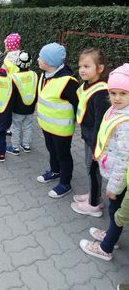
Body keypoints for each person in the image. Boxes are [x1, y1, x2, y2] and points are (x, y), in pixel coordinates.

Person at [80, 63, 129, 261]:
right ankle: (111, 234)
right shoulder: (116, 110)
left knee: (115, 210)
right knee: (113, 209)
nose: (116, 98)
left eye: (123, 94)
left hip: (120, 179)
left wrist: (115, 186)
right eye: (113, 92)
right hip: (113, 173)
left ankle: (106, 248)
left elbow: (125, 158)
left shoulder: (126, 123)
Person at [36, 42, 79, 198]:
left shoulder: (68, 83)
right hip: (47, 126)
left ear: (49, 63)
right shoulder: (44, 75)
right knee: (51, 150)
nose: (38, 60)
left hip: (62, 130)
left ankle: (65, 183)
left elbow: (78, 105)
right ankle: (55, 171)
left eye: (41, 57)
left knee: (63, 155)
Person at [71, 49, 110, 217]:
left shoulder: (101, 93)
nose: (82, 70)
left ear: (100, 69)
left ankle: (94, 204)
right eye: (80, 66)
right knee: (91, 169)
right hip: (88, 137)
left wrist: (95, 148)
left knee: (92, 170)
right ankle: (95, 194)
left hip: (95, 141)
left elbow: (100, 124)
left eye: (87, 66)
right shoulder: (87, 85)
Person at [6, 50, 38, 156]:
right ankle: (26, 145)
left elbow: (11, 95)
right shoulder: (34, 75)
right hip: (30, 107)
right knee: (28, 126)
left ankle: (15, 147)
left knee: (16, 127)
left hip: (17, 109)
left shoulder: (14, 77)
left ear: (18, 62)